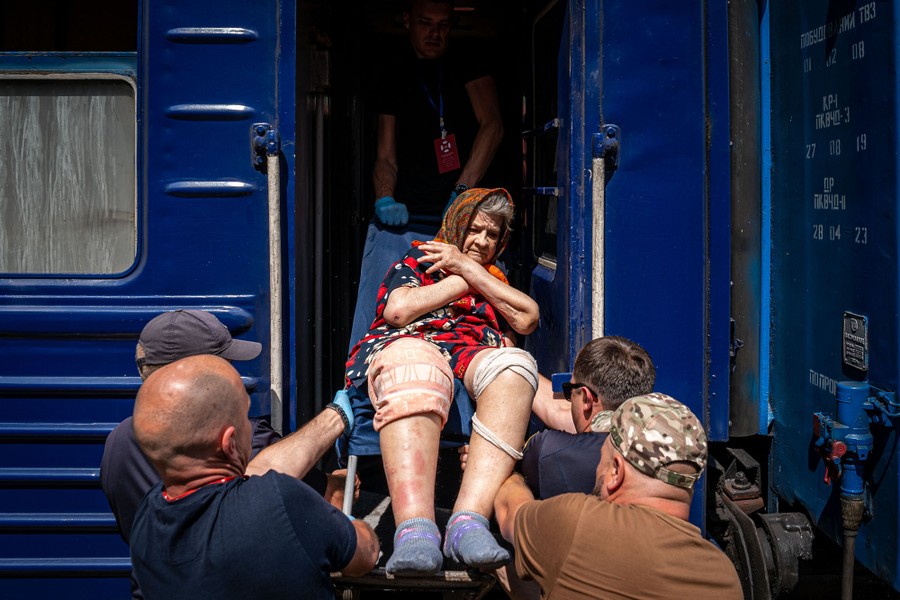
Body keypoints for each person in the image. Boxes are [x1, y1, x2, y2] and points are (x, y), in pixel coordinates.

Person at [345, 187, 539, 576]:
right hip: (410, 341)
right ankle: (415, 531)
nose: (482, 242)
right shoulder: (422, 256)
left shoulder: (491, 275)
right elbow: (398, 310)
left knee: (517, 367)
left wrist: (469, 269)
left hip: (469, 353)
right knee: (415, 362)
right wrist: (467, 278)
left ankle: (467, 523)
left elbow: (527, 317)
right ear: (456, 225)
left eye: (492, 235)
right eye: (475, 229)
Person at [100, 309, 353, 599]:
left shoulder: (116, 444)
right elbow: (324, 506)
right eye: (226, 362)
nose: (234, 371)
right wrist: (337, 476)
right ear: (194, 372)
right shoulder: (237, 436)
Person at [129, 355, 380, 599]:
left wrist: (333, 418)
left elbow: (250, 479)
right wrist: (345, 525)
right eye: (244, 419)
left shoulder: (147, 517)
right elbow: (366, 554)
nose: (249, 427)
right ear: (229, 444)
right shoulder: (280, 501)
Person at [349, 0, 504, 351]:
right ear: (407, 20)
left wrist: (463, 192)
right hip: (405, 217)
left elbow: (492, 126)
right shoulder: (392, 74)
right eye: (425, 23)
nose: (435, 33)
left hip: (460, 220)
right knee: (383, 306)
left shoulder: (469, 63)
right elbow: (385, 155)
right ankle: (358, 387)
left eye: (443, 25)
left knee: (461, 313)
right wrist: (384, 198)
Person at [494, 393, 744, 600]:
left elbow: (508, 510)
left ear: (615, 471)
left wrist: (509, 472)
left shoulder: (578, 523)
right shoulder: (723, 578)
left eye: (601, 456)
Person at [520, 336, 656, 499]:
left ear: (586, 398)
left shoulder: (547, 450)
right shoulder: (663, 452)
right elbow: (559, 411)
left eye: (570, 391)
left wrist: (510, 363)